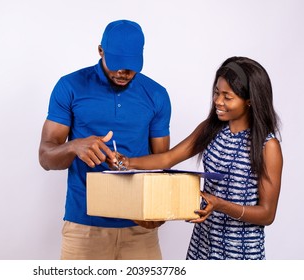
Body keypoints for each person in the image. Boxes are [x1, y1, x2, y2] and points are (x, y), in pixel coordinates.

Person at [112, 56, 283, 260]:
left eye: (228, 97)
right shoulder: (211, 129)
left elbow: (267, 214)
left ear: (250, 101)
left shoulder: (267, 146)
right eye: (217, 93)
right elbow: (168, 159)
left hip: (240, 253)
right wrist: (126, 162)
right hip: (202, 245)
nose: (218, 101)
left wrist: (220, 205)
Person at [39, 19, 172, 260]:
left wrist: (159, 207)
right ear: (100, 51)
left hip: (140, 227)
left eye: (131, 66)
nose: (124, 72)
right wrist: (74, 146)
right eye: (117, 64)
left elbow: (162, 164)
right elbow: (46, 158)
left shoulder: (156, 94)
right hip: (85, 227)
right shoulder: (70, 86)